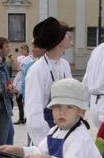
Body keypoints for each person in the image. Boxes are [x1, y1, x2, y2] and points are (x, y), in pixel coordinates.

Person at [24, 17, 73, 146]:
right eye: (66, 34)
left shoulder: (64, 65)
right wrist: (46, 142)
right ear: (58, 40)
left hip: (64, 127)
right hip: (46, 132)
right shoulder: (37, 69)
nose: (69, 36)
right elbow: (33, 111)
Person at [0, 37, 18, 144]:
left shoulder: (4, 64)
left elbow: (7, 81)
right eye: (6, 47)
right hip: (0, 106)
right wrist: (6, 88)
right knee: (5, 136)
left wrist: (11, 86)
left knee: (10, 134)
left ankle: (9, 154)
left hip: (6, 104)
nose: (8, 49)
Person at [13, 44, 30, 124]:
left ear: (27, 51)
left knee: (23, 101)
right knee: (20, 100)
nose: (22, 51)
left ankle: (24, 118)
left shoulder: (26, 59)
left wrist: (11, 58)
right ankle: (22, 117)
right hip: (20, 80)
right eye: (21, 50)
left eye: (23, 50)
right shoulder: (25, 58)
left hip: (23, 81)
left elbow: (18, 67)